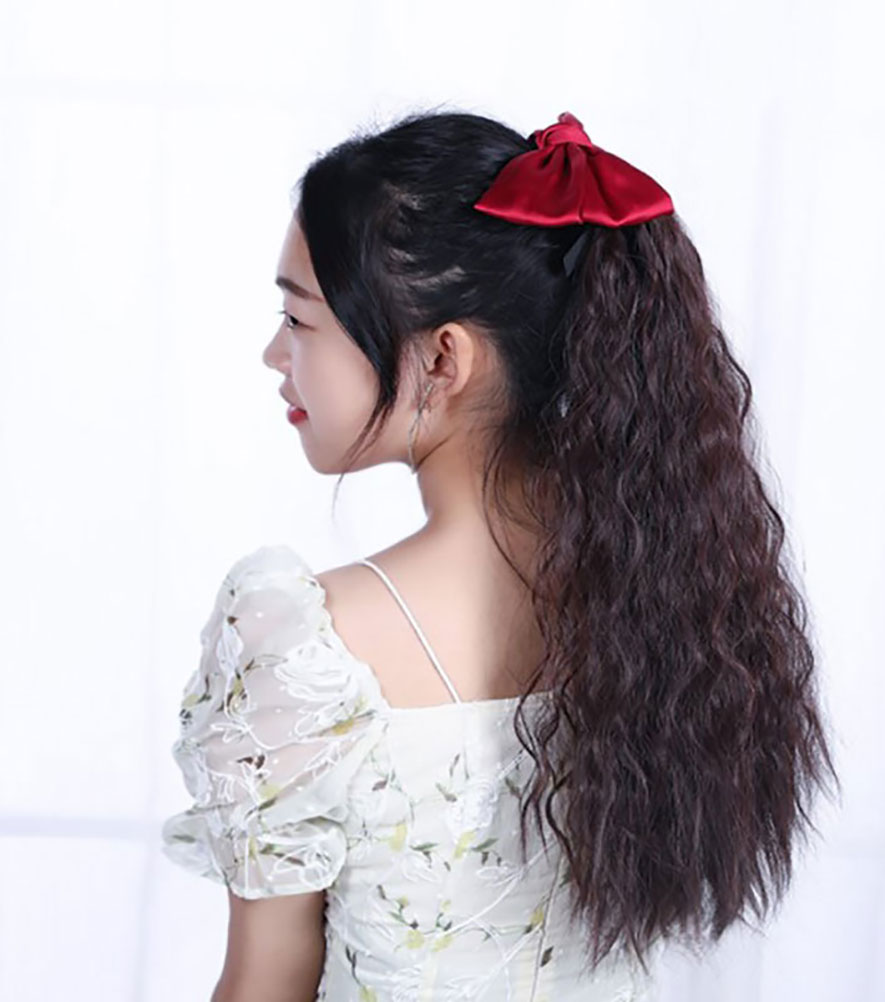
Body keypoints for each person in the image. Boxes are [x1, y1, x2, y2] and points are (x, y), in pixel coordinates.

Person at [161, 109, 839, 1002]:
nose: (273, 353)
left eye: (299, 318)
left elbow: (263, 985)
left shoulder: (304, 643)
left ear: (443, 359)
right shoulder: (669, 593)